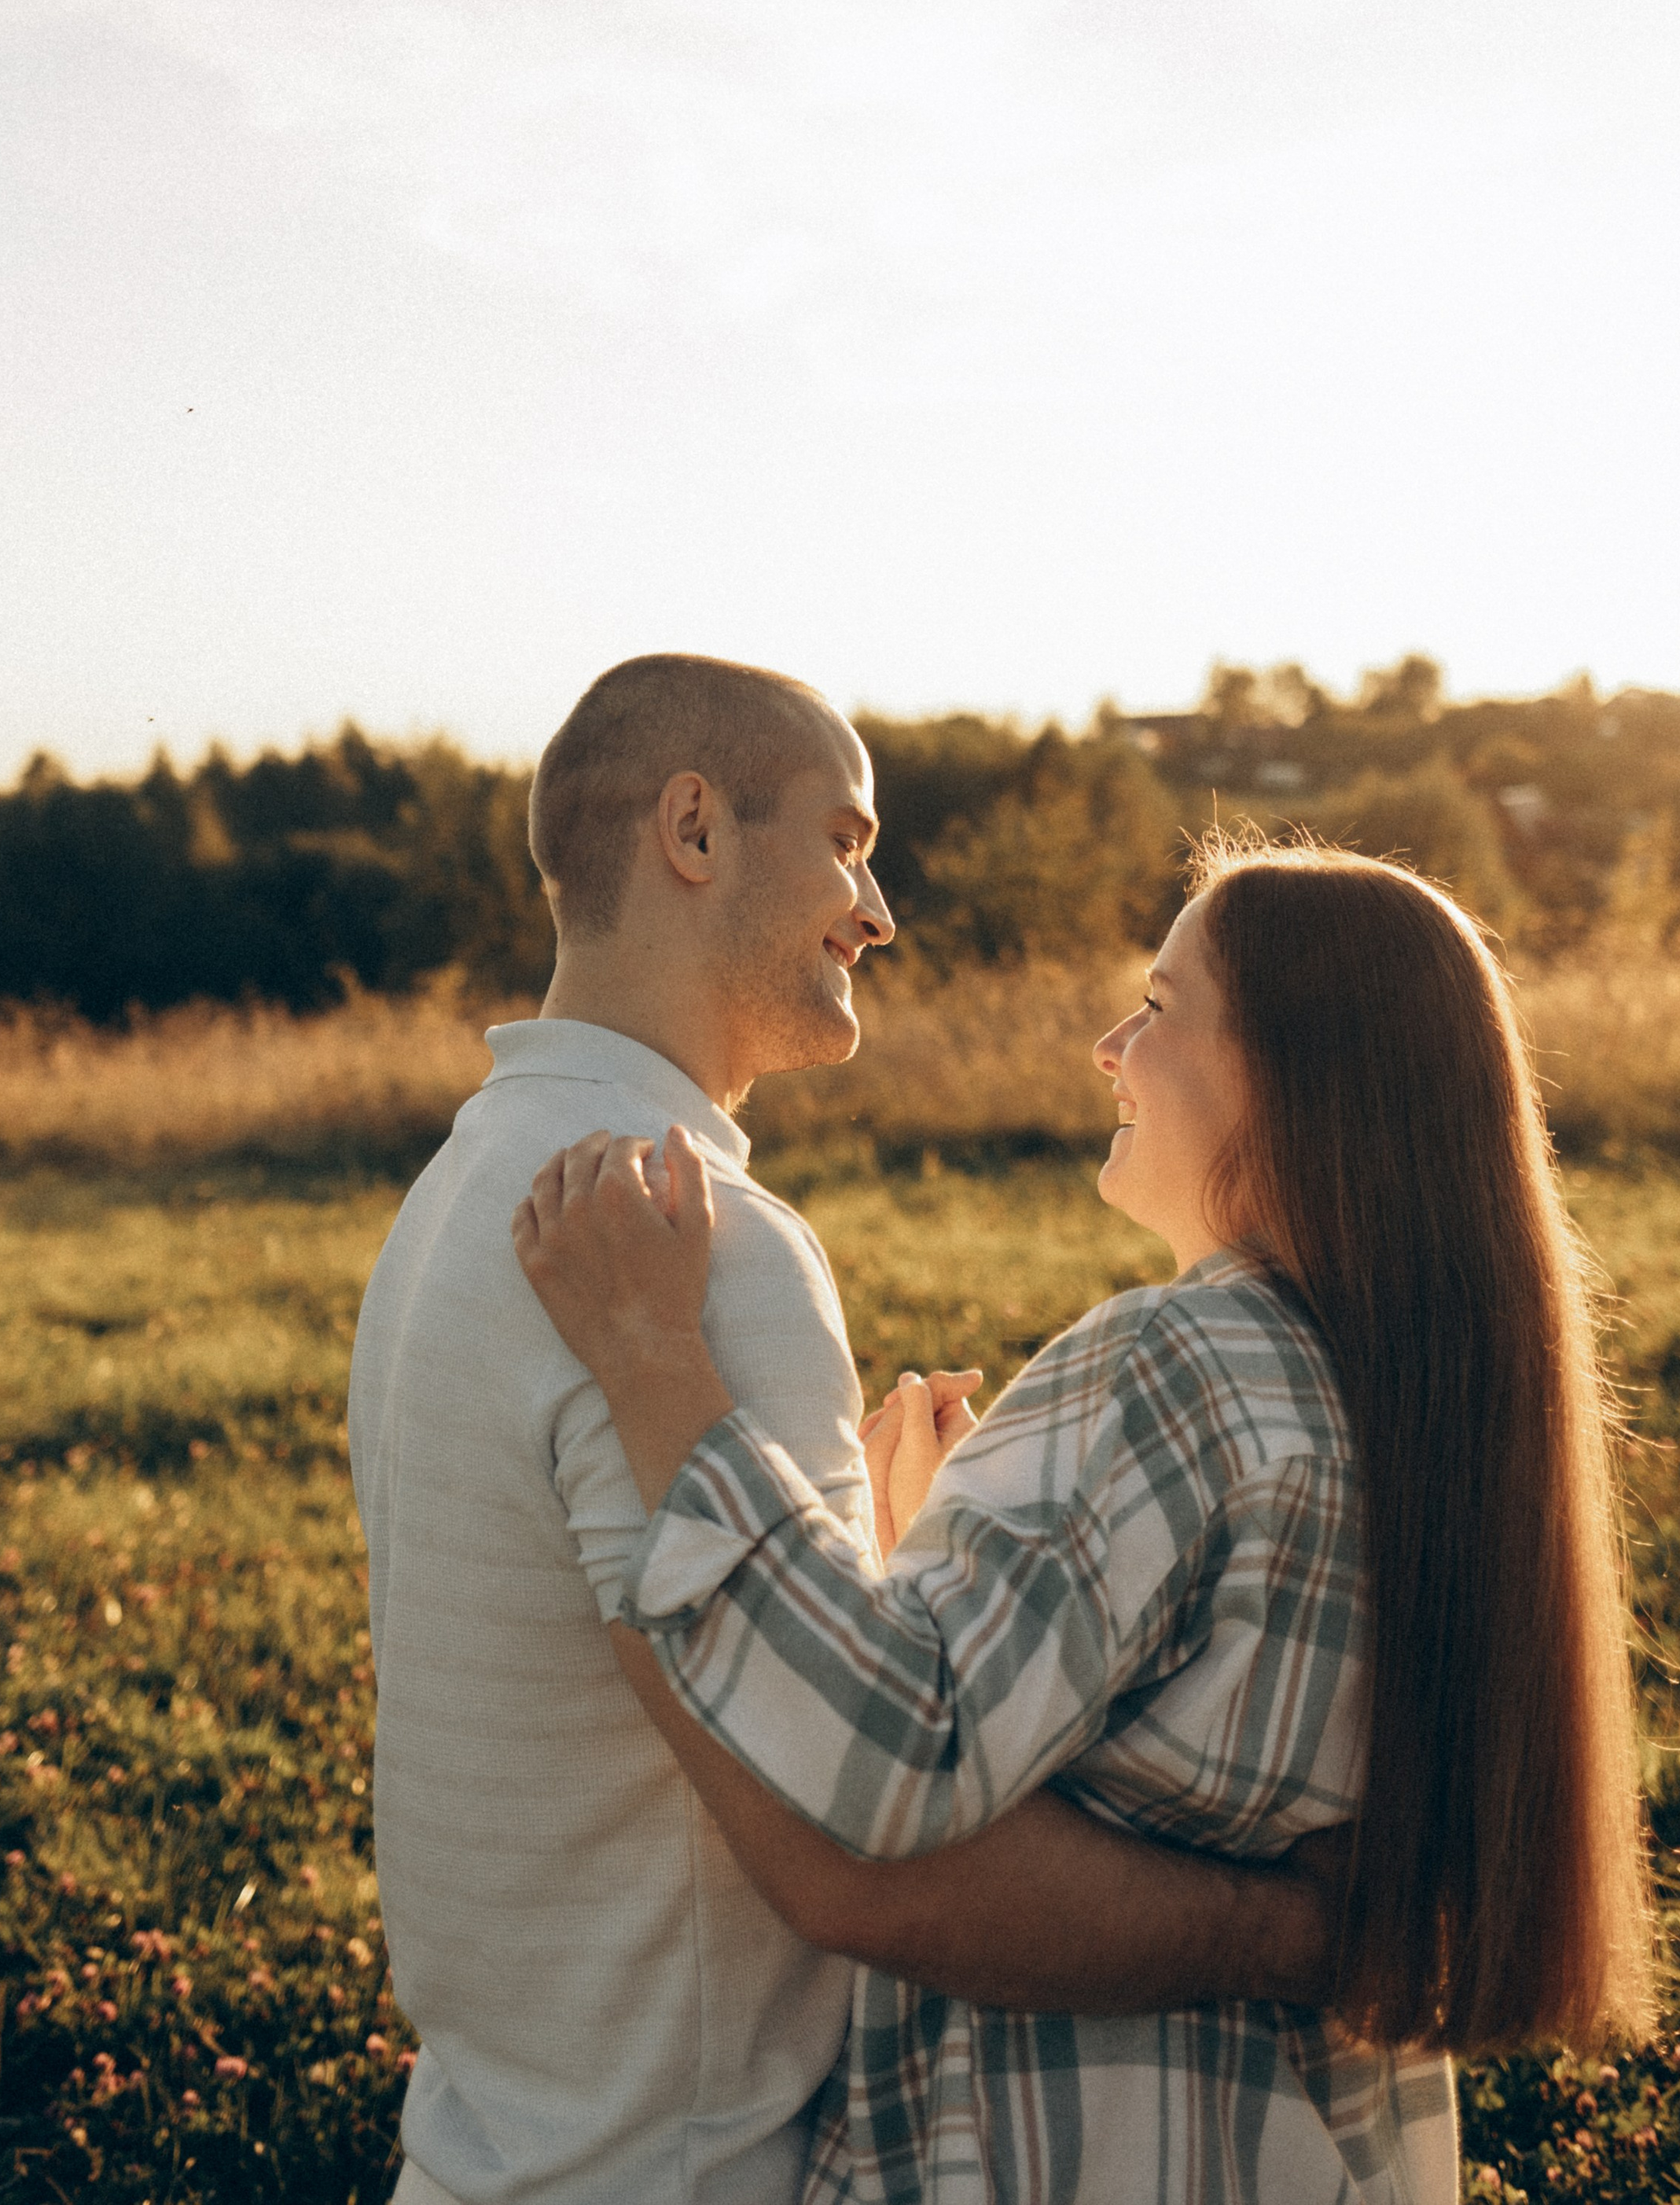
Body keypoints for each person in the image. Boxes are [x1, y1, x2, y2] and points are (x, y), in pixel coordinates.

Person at [515, 836, 1658, 2205]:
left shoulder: (1181, 1364)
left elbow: (890, 1759)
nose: (1111, 1047)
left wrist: (654, 1362)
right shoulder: (1425, 1406)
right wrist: (946, 1550)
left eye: (1162, 1008)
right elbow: (1200, 1743)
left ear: (1296, 1073)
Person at [349, 659, 1344, 2205]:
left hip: (491, 2150)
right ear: (693, 829)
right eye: (844, 841)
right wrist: (1297, 1934)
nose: (876, 911)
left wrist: (881, 1563)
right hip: (683, 2169)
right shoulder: (696, 1239)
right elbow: (846, 1847)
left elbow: (681, 1682)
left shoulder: (453, 1197)